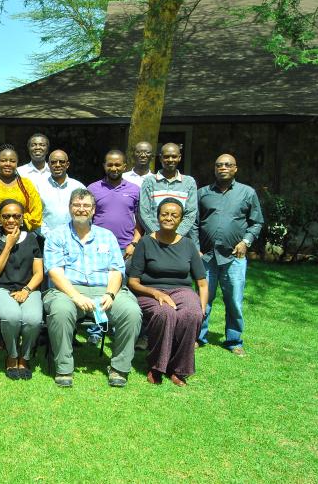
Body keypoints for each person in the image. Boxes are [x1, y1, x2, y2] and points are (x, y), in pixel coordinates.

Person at [43, 188, 142, 388]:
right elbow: (54, 272)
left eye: (86, 205)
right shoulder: (56, 235)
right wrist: (76, 296)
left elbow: (116, 270)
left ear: (94, 210)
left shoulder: (107, 236)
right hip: (67, 290)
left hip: (105, 289)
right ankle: (64, 367)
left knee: (131, 312)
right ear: (69, 208)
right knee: (60, 311)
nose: (81, 209)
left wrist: (111, 293)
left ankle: (119, 368)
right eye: (77, 205)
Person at [127, 198, 208, 386]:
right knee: (165, 313)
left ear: (180, 219)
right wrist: (156, 294)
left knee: (192, 313)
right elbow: (133, 282)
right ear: (157, 217)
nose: (169, 218)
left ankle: (178, 368)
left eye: (174, 215)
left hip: (182, 290)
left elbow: (202, 284)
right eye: (164, 214)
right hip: (150, 291)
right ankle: (156, 366)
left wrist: (202, 308)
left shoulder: (188, 245)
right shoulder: (146, 242)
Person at [197, 153, 263, 356]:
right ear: (214, 169)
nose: (223, 168)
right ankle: (198, 336)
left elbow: (256, 222)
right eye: (219, 165)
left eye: (228, 165)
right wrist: (195, 247)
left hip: (234, 257)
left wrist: (246, 242)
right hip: (206, 257)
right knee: (203, 299)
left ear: (235, 169)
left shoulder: (247, 193)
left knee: (234, 300)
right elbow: (193, 223)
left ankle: (234, 340)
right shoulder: (203, 193)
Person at [85, 149, 142, 346]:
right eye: (110, 164)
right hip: (98, 248)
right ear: (104, 166)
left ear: (125, 166)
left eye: (118, 164)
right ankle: (96, 329)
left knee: (121, 288)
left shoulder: (134, 189)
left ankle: (119, 326)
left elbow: (140, 221)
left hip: (125, 248)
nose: (114, 168)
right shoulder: (93, 188)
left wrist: (134, 243)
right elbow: (86, 218)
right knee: (98, 286)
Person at [0, 199, 43, 380]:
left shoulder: (32, 239)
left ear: (22, 219)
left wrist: (26, 290)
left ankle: (25, 357)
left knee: (33, 319)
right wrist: (8, 245)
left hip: (27, 289)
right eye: (6, 216)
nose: (11, 220)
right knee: (12, 316)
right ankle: (12, 355)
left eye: (16, 216)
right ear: (0, 219)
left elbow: (39, 273)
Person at [0, 146, 42, 238]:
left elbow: (36, 212)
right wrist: (3, 227)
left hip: (22, 236)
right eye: (3, 160)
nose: (8, 164)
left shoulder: (26, 185)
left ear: (17, 163)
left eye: (12, 161)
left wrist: (17, 225)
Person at [139, 143, 198, 246]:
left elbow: (191, 214)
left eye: (174, 156)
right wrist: (159, 235)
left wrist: (175, 236)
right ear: (160, 158)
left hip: (179, 242)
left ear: (179, 158)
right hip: (154, 241)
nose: (170, 160)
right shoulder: (149, 182)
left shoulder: (189, 182)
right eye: (166, 157)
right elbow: (144, 213)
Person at [37, 149, 84, 237]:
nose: (58, 165)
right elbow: (35, 214)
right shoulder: (38, 187)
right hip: (46, 238)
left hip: (74, 238)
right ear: (48, 165)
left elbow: (86, 213)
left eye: (61, 162)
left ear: (67, 165)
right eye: (53, 162)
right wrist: (50, 236)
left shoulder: (78, 187)